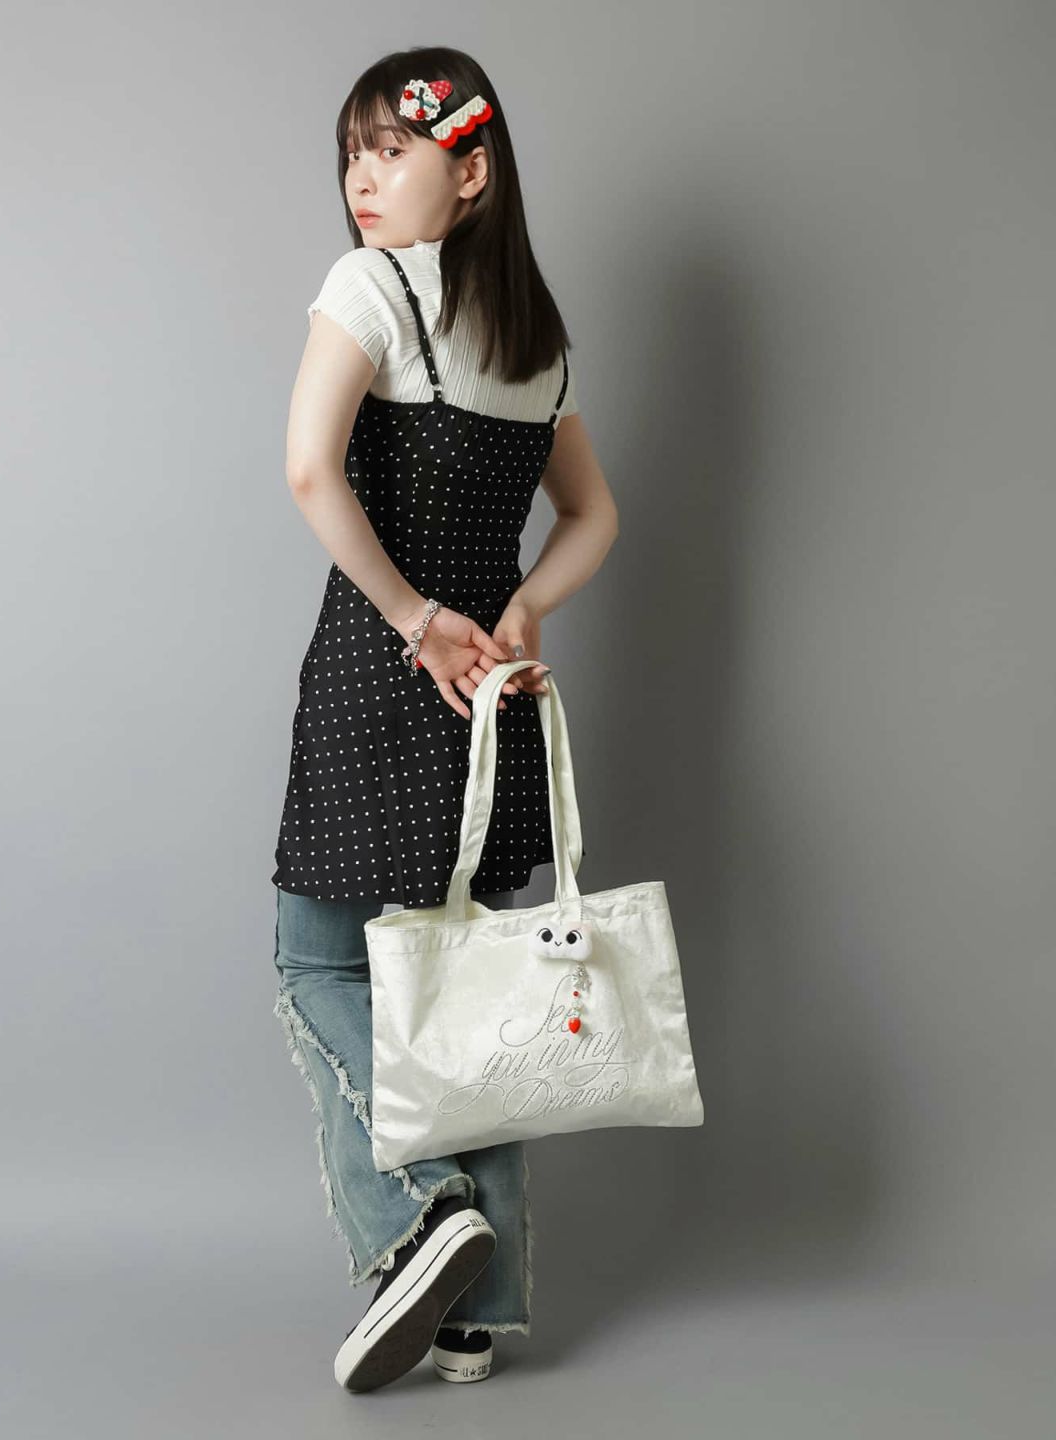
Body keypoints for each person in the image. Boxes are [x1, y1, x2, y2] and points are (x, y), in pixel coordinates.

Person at [269, 46, 619, 1393]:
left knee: (322, 967)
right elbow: (594, 516)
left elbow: (310, 469)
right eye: (350, 153)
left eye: (392, 149)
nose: (361, 178)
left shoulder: (371, 288)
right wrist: (518, 611)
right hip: (492, 704)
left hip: (385, 674)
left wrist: (419, 619)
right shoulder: (540, 340)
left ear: (471, 173)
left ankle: (422, 1218)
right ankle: (484, 1312)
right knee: (469, 994)